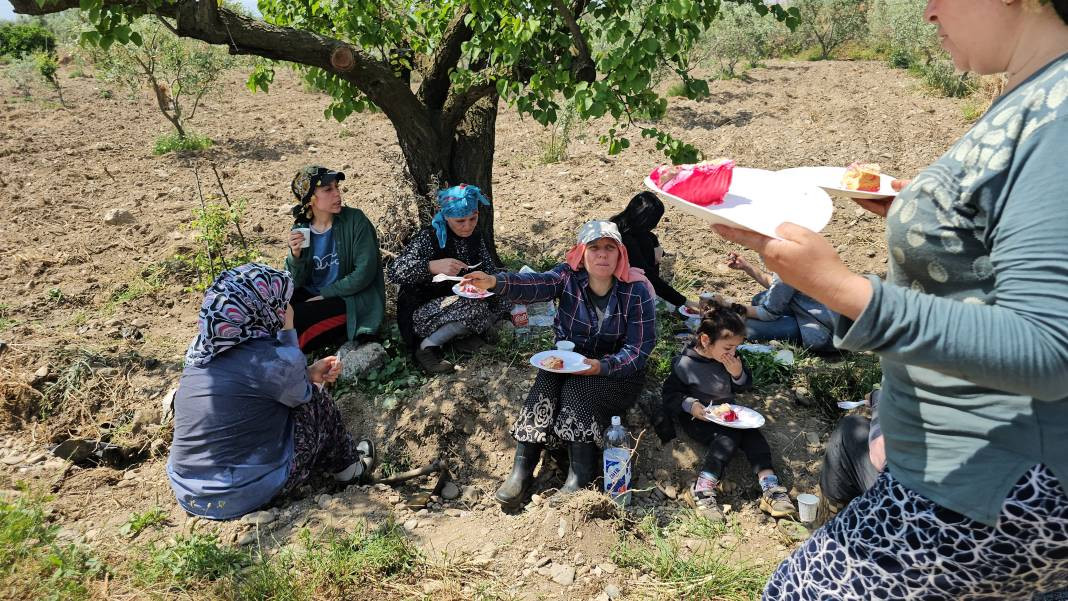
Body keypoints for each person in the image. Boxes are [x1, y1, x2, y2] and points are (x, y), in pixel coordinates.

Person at [714, 1, 1068, 596]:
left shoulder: (1058, 116)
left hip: (991, 480)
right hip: (970, 466)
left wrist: (841, 289)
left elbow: (1049, 346)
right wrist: (923, 218)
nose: (927, 11)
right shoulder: (1034, 91)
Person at [462, 220, 656, 508]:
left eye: (609, 248)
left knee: (578, 391)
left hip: (618, 375)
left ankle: (580, 475)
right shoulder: (567, 277)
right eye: (594, 248)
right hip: (571, 364)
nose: (602, 255)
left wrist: (601, 366)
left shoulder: (635, 291)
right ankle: (522, 470)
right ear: (581, 252)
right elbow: (535, 284)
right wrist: (494, 281)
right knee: (546, 380)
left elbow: (638, 349)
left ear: (620, 254)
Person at [167, 264, 376, 520]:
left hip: (190, 492)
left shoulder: (203, 349)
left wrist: (307, 372)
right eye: (283, 303)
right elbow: (301, 393)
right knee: (316, 400)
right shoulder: (269, 359)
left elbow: (252, 386)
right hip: (237, 495)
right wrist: (288, 332)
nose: (288, 308)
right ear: (266, 309)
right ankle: (349, 468)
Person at [655, 305, 796, 523]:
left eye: (736, 348)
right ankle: (702, 488)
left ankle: (770, 487)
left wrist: (737, 374)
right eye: (728, 348)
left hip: (727, 413)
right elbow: (670, 394)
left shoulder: (728, 361)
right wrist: (690, 405)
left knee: (753, 434)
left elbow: (744, 385)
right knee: (728, 438)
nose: (732, 354)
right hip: (698, 417)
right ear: (705, 341)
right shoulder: (685, 364)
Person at [387, 184, 509, 374]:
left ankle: (462, 338)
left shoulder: (475, 237)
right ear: (445, 215)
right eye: (460, 221)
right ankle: (427, 346)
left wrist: (486, 280)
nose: (467, 226)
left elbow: (490, 270)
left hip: (457, 303)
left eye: (473, 218)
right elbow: (394, 271)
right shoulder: (429, 238)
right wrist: (431, 266)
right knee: (473, 306)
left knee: (504, 291)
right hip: (424, 312)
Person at [285, 165, 386, 353]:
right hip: (314, 295)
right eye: (328, 190)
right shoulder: (301, 228)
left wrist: (324, 294)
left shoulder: (356, 220)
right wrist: (295, 256)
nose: (337, 194)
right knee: (275, 307)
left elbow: (364, 274)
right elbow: (294, 282)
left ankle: (286, 365)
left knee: (296, 319)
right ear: (310, 199)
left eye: (337, 187)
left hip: (350, 300)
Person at [723, 251, 836, 351]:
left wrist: (727, 306)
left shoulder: (787, 266)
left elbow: (768, 313)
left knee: (749, 327)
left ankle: (798, 332)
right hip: (820, 312)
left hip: (825, 332)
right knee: (759, 299)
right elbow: (778, 286)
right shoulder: (797, 253)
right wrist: (747, 266)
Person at [610, 191, 698, 310]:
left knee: (648, 241)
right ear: (644, 221)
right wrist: (685, 301)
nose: (655, 226)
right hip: (618, 293)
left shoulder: (620, 222)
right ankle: (646, 298)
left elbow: (649, 236)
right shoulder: (626, 241)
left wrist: (657, 247)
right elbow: (649, 276)